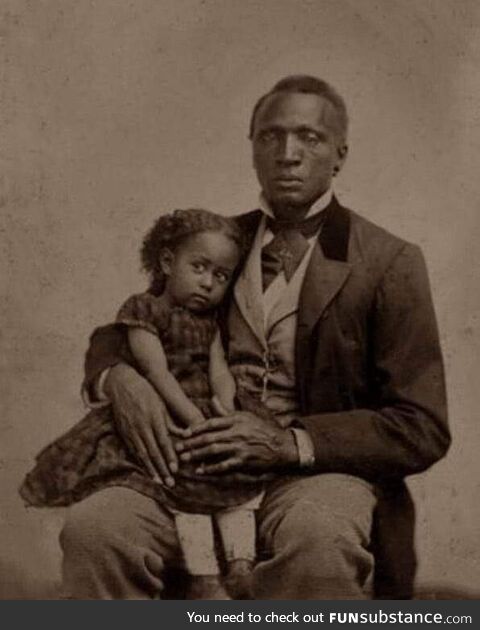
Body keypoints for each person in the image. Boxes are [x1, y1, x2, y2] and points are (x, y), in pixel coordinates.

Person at [60, 75, 450, 599]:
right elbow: (126, 328)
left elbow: (421, 425)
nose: (288, 153)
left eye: (309, 138)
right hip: (190, 465)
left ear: (340, 154)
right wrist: (118, 379)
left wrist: (290, 443)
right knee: (96, 531)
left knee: (318, 541)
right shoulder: (216, 244)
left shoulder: (389, 262)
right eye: (271, 136)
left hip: (316, 476)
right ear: (252, 149)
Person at [21, 208, 281, 599]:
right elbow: (154, 369)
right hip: (175, 412)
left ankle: (240, 563)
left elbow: (219, 370)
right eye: (199, 268)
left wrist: (226, 407)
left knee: (235, 482)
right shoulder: (145, 310)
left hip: (224, 416)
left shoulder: (208, 319)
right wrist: (194, 417)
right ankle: (205, 576)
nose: (209, 283)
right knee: (182, 482)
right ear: (166, 262)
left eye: (221, 276)